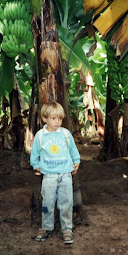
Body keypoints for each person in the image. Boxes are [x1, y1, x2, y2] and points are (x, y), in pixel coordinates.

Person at [30, 101, 81, 244]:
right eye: (53, 118)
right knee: (47, 202)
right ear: (45, 118)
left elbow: (73, 151)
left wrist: (76, 161)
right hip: (49, 176)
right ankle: (46, 228)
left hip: (65, 174)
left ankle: (67, 230)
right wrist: (36, 165)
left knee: (66, 203)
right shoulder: (41, 136)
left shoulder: (65, 134)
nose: (57, 121)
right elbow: (34, 154)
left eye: (59, 118)